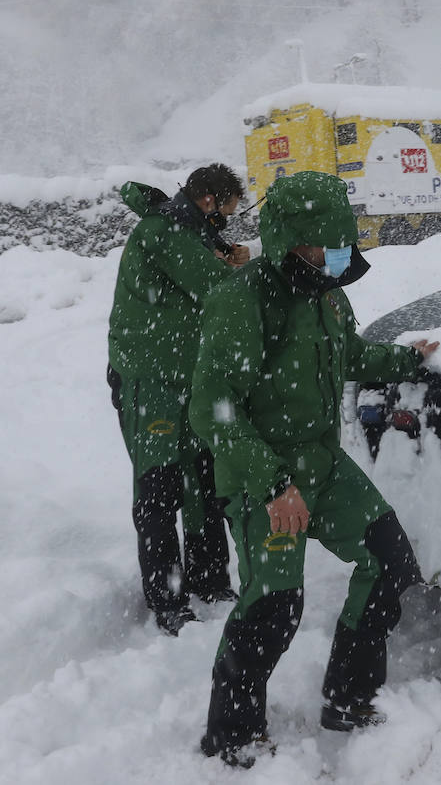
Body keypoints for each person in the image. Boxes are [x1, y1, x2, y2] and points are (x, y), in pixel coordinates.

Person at [189, 171, 437, 766]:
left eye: (341, 249)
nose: (334, 260)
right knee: (274, 604)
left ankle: (349, 699)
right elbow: (212, 409)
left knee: (389, 562)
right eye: (321, 249)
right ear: (286, 243)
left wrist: (408, 358)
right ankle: (233, 732)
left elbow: (348, 354)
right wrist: (273, 484)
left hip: (322, 465)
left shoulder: (326, 290)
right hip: (264, 475)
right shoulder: (242, 300)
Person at [107, 163, 252, 635]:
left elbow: (205, 270)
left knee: (205, 482)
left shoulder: (187, 232)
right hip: (152, 384)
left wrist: (221, 251)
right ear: (208, 200)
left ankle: (208, 579)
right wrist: (248, 267)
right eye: (226, 212)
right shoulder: (163, 232)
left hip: (188, 380)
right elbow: (218, 288)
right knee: (159, 491)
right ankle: (166, 598)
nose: (225, 222)